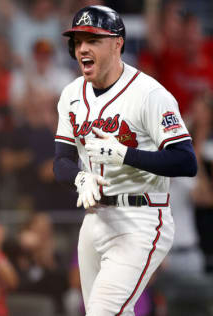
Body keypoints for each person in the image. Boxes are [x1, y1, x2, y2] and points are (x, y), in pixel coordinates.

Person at [53, 6, 197, 316]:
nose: (83, 49)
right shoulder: (71, 94)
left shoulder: (149, 94)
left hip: (141, 217)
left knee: (103, 312)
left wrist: (124, 154)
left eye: (93, 40)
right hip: (94, 219)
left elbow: (186, 161)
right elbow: (61, 161)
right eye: (78, 41)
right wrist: (81, 179)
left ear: (117, 43)